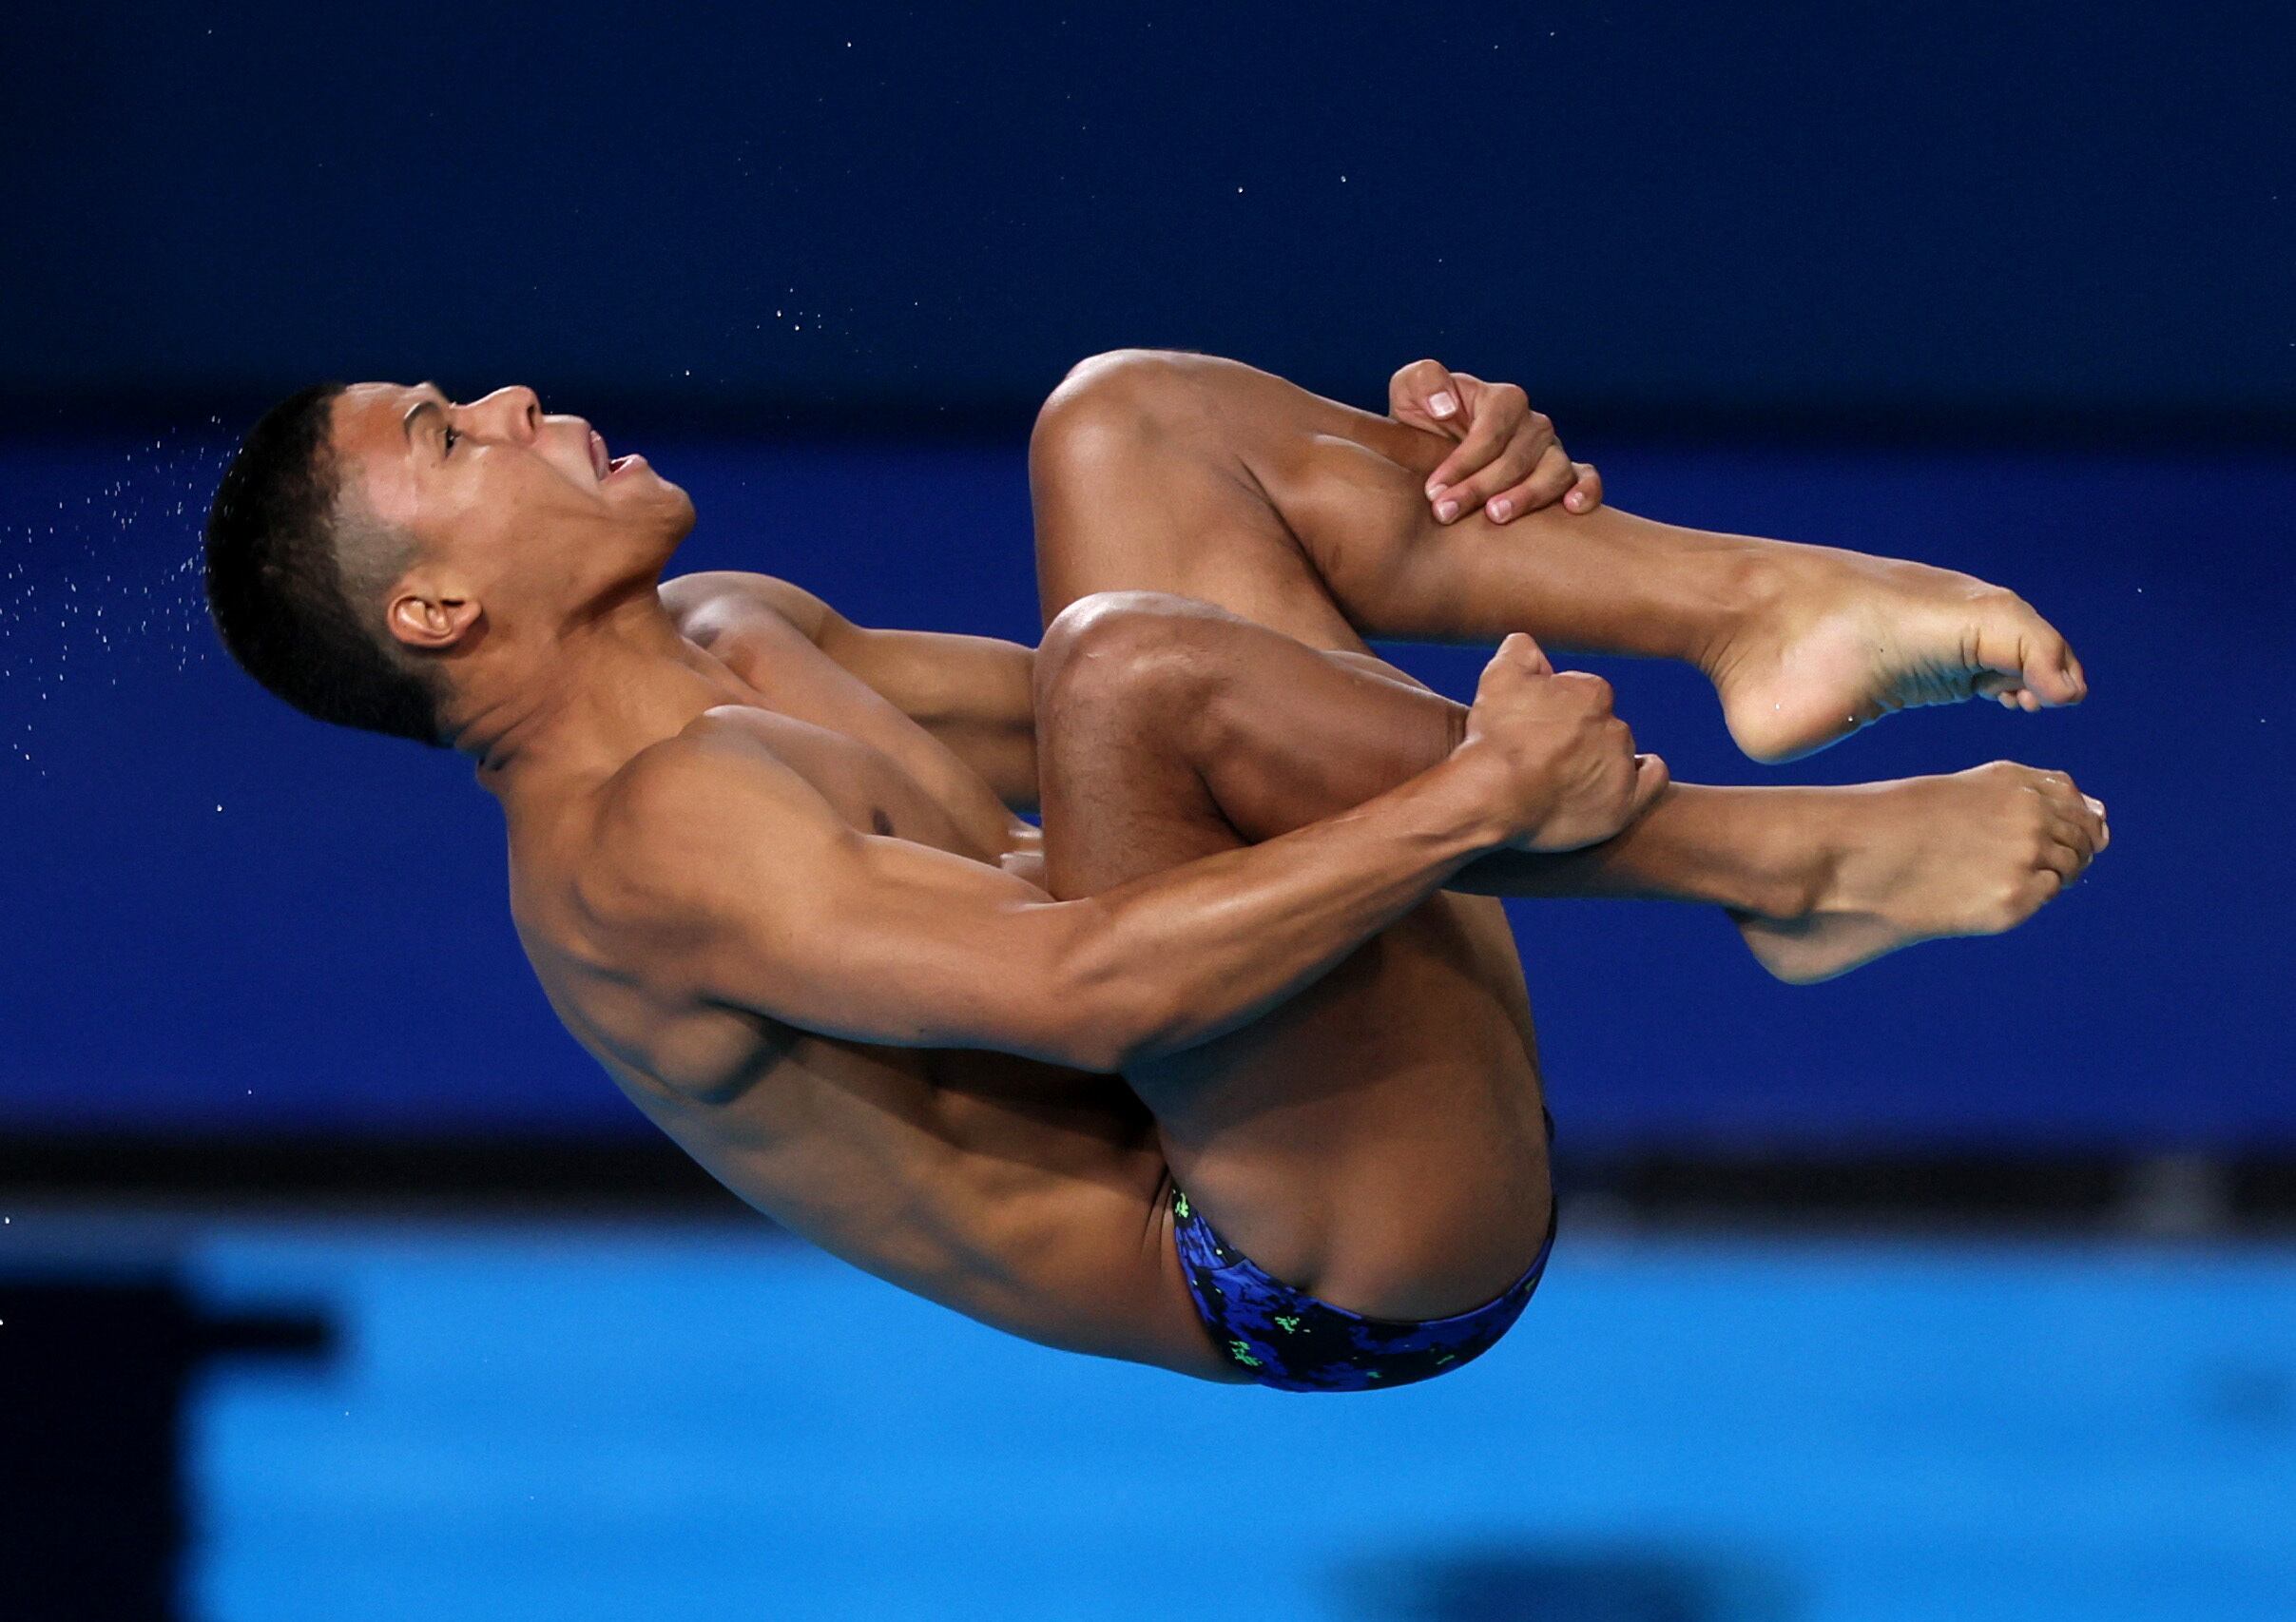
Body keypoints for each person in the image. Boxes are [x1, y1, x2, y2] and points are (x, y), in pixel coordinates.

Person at [202, 351, 2106, 1390]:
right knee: (1133, 663)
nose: (523, 403)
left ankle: (1755, 605)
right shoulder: (636, 853)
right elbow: (1091, 984)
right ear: (436, 607)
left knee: (1129, 423)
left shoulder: (734, 629)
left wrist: (1431, 483)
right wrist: (1469, 804)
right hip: (1298, 1257)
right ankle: (1788, 867)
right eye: (452, 435)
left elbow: (1232, 698)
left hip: (1270, 1052)